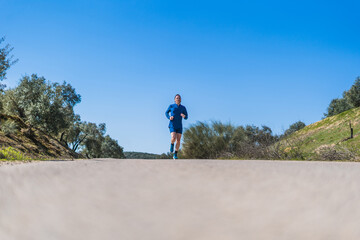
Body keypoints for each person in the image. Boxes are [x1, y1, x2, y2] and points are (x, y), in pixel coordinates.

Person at [165, 94, 188, 159]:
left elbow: (186, 117)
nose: (178, 99)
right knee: (173, 137)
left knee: (178, 140)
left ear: (180, 100)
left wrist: (184, 116)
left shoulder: (183, 108)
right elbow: (166, 113)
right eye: (177, 98)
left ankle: (175, 154)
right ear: (175, 99)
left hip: (179, 126)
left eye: (179, 98)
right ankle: (172, 144)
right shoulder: (171, 106)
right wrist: (169, 117)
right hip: (172, 124)